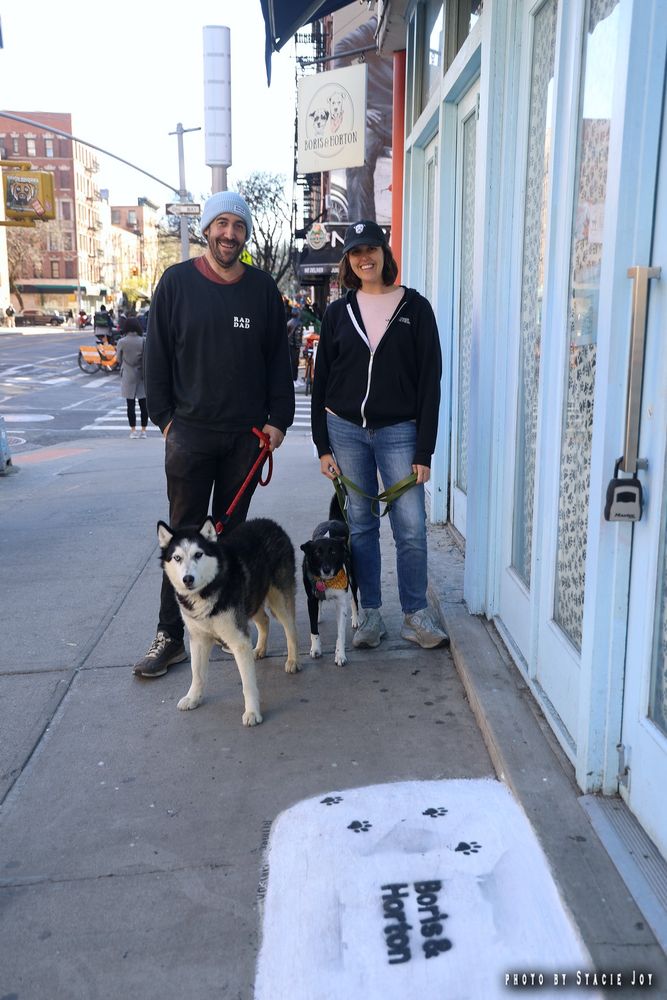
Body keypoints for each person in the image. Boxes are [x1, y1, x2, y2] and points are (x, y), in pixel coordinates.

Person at [133, 190, 295, 678]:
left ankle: (226, 625)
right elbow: (156, 355)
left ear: (246, 233)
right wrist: (165, 420)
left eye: (238, 226)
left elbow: (277, 361)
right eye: (221, 223)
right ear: (207, 229)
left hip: (245, 439)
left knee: (223, 539)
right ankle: (170, 635)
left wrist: (277, 420)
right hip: (189, 436)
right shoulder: (177, 283)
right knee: (182, 541)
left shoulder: (263, 289)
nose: (229, 234)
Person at [311, 220, 449, 650]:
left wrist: (424, 449)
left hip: (399, 432)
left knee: (410, 526)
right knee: (361, 526)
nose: (364, 257)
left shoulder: (415, 308)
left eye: (371, 248)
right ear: (348, 262)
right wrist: (322, 445)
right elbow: (322, 382)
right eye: (355, 252)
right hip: (345, 431)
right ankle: (369, 614)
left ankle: (415, 615)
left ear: (385, 254)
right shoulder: (338, 312)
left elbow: (431, 381)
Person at [115, 316, 148, 439]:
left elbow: (118, 359)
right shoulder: (143, 341)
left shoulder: (121, 342)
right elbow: (146, 358)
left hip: (128, 374)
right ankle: (144, 431)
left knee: (130, 404)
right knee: (143, 404)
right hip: (141, 375)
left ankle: (133, 431)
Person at [286, 307, 304, 383]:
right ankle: (295, 379)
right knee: (295, 362)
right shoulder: (298, 323)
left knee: (292, 362)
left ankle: (294, 379)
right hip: (295, 345)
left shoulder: (289, 322)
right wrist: (298, 345)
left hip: (290, 344)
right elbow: (297, 335)